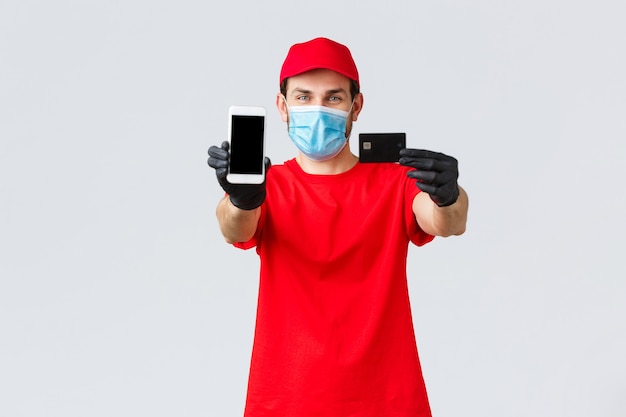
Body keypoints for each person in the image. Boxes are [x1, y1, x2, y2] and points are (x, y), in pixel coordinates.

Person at [208, 37, 469, 417]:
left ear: (355, 106)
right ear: (282, 106)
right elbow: (234, 228)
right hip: (286, 397)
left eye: (333, 98)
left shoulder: (395, 181)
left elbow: (447, 222)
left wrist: (450, 194)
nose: (317, 108)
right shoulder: (268, 185)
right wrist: (242, 199)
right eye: (303, 97)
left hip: (387, 398)